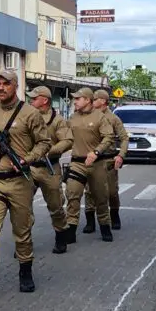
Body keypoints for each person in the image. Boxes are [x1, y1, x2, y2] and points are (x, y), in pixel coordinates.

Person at [0, 67, 51, 298]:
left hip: (20, 181)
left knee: (22, 232)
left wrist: (27, 159)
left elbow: (44, 143)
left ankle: (25, 272)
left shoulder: (30, 114)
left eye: (6, 84)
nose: (1, 88)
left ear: (16, 86)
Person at [63, 87, 116, 243]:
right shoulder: (72, 118)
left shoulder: (100, 117)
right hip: (77, 163)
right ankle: (70, 230)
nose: (75, 101)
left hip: (97, 164)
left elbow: (109, 138)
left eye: (78, 99)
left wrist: (97, 152)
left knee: (100, 197)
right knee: (72, 196)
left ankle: (105, 226)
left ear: (87, 100)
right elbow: (65, 137)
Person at [27, 85, 71, 253]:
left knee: (56, 206)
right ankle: (24, 243)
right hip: (29, 168)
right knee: (22, 206)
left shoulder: (57, 120)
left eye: (34, 98)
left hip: (49, 167)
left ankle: (61, 236)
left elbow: (67, 141)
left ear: (44, 100)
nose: (31, 101)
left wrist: (49, 151)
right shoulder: (27, 117)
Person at [85, 88, 130, 231]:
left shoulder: (113, 119)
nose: (92, 101)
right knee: (90, 191)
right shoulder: (88, 116)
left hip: (108, 159)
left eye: (95, 99)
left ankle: (114, 215)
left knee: (111, 191)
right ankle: (90, 221)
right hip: (92, 159)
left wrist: (121, 155)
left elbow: (124, 138)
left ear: (103, 101)